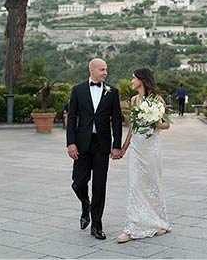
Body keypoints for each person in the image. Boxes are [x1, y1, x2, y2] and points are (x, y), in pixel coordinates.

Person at [66, 58, 123, 240]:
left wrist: (116, 145)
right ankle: (85, 204)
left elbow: (117, 121)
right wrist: (70, 143)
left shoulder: (112, 92)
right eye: (101, 69)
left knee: (99, 185)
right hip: (81, 144)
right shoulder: (78, 90)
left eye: (106, 69)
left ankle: (97, 225)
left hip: (102, 145)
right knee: (78, 183)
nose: (105, 72)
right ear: (91, 70)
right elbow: (72, 118)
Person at [117, 68, 171, 243]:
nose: (131, 81)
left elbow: (166, 125)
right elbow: (132, 127)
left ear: (142, 80)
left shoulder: (157, 100)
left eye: (133, 78)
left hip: (152, 149)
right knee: (134, 185)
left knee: (152, 184)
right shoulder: (134, 100)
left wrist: (153, 121)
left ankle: (158, 223)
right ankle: (132, 227)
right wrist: (124, 147)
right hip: (136, 148)